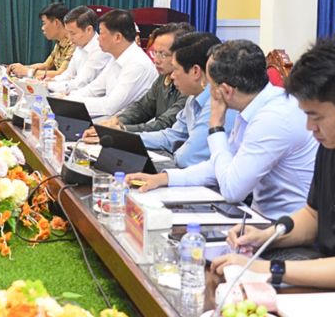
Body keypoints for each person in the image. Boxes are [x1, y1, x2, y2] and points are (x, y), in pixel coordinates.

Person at [211, 41, 335, 289]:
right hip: (327, 274)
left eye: (316, 116)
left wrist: (271, 269)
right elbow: (313, 216)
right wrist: (266, 236)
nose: (310, 127)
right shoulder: (333, 142)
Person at [127, 40, 317, 220]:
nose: (207, 90)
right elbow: (220, 165)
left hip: (285, 225)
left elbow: (232, 190)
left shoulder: (272, 118)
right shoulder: (253, 105)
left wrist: (216, 126)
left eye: (209, 84)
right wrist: (164, 178)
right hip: (259, 217)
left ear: (226, 91)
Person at [136, 33, 236, 168]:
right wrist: (127, 138)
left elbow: (187, 158)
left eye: (175, 69)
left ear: (195, 71)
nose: (172, 76)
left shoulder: (217, 103)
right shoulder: (193, 98)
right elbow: (171, 137)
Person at [95, 22, 193, 133]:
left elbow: (166, 124)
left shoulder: (190, 86)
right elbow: (142, 108)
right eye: (155, 52)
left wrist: (122, 129)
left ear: (181, 54)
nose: (156, 60)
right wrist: (117, 121)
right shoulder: (163, 77)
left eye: (163, 54)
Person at [68, 9, 158, 117]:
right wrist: (69, 98)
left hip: (127, 122)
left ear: (117, 37)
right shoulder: (115, 57)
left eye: (101, 33)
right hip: (111, 117)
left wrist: (71, 103)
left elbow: (110, 107)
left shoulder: (137, 64)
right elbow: (95, 88)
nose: (98, 39)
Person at [46, 6, 112, 94]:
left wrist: (49, 85)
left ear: (89, 30)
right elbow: (69, 74)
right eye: (68, 32)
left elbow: (81, 83)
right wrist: (53, 80)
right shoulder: (80, 45)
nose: (70, 38)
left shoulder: (100, 50)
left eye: (73, 33)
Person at [8, 2, 73, 79]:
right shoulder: (59, 42)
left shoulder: (74, 43)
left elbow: (62, 74)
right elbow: (46, 65)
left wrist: (27, 71)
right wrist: (19, 68)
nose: (42, 28)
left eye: (44, 23)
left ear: (56, 23)